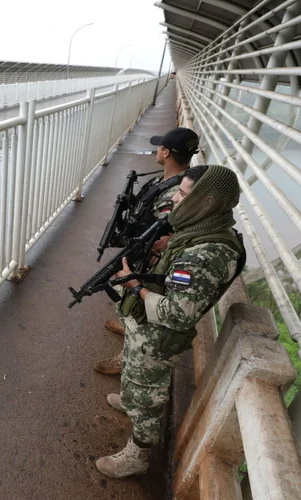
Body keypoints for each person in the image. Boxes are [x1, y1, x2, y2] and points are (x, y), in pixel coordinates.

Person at [95, 164, 245, 478]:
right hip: (148, 329)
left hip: (159, 338)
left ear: (205, 202)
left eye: (182, 193)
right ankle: (129, 400)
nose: (174, 198)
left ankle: (138, 454)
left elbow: (177, 314)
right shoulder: (202, 229)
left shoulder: (206, 254)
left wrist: (134, 285)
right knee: (134, 377)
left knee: (147, 394)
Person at [94, 127, 200, 376]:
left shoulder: (176, 193)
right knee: (125, 296)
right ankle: (124, 320)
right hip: (140, 251)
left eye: (159, 146)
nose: (156, 150)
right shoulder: (166, 180)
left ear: (166, 152)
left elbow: (164, 237)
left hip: (150, 261)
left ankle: (126, 358)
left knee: (137, 307)